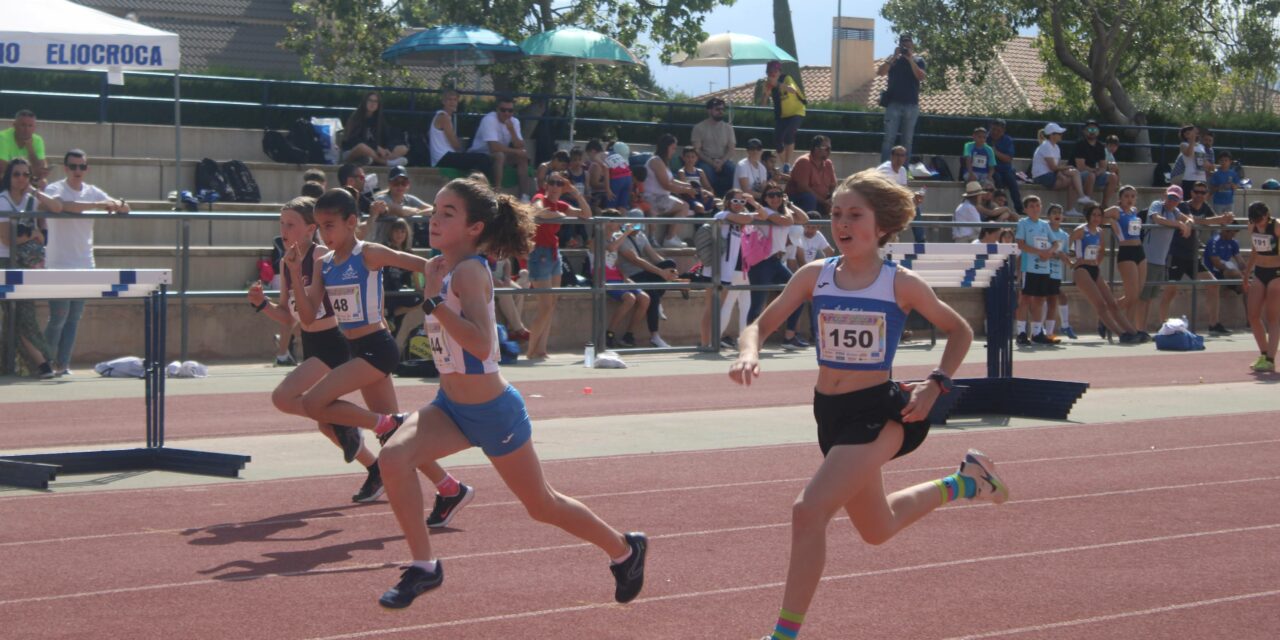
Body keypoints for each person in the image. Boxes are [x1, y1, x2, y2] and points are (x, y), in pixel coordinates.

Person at [729, 169, 1007, 640]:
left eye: (855, 214)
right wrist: (748, 352)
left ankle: (783, 635)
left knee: (808, 511)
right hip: (829, 414)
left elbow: (959, 330)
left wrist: (937, 383)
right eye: (836, 213)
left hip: (880, 412)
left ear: (881, 226)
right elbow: (760, 323)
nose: (842, 223)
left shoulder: (901, 283)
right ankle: (965, 483)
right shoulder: (815, 276)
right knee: (878, 528)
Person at [373, 177, 647, 609]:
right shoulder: (440, 267)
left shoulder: (468, 271)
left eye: (448, 213)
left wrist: (433, 304)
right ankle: (425, 567)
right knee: (393, 458)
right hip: (450, 406)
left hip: (492, 411)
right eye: (435, 210)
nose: (434, 219)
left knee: (542, 505)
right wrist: (432, 294)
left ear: (475, 228)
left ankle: (625, 550)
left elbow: (483, 345)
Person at [284, 188, 474, 524]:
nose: (325, 234)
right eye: (320, 227)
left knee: (315, 404)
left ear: (352, 222)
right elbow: (310, 316)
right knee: (394, 438)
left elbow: (424, 264)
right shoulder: (323, 264)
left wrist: (449, 284)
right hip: (356, 348)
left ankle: (384, 423)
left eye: (330, 226)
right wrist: (297, 271)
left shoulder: (368, 253)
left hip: (378, 347)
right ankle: (450, 487)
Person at [248, 197, 381, 498]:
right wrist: (262, 305)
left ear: (311, 228)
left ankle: (373, 422)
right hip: (311, 344)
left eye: (291, 224)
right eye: (281, 223)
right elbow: (287, 316)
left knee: (283, 397)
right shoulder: (286, 262)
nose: (283, 229)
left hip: (334, 343)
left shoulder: (324, 256)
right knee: (325, 424)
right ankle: (376, 468)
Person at [42, 150, 129, 376]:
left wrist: (116, 203)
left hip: (84, 262)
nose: (77, 171)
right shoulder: (55, 189)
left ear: (87, 169)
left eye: (82, 166)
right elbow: (64, 205)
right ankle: (44, 364)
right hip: (59, 263)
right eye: (73, 166)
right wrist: (100, 205)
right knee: (58, 318)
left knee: (74, 318)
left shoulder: (93, 192)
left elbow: (124, 207)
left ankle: (63, 364)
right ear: (65, 168)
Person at [0, 157, 62, 378]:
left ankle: (39, 364)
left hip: (26, 264)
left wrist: (35, 191)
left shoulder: (30, 198)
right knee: (17, 316)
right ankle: (44, 363)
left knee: (23, 314)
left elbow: (56, 206)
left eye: (26, 174)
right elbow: (7, 239)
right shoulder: (3, 200)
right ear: (9, 177)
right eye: (16, 174)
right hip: (5, 263)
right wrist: (33, 235)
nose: (21, 179)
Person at [525, 172, 591, 360]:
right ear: (546, 185)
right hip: (539, 254)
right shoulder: (539, 197)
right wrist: (559, 215)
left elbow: (586, 214)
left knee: (551, 304)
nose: (555, 186)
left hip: (554, 254)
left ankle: (541, 349)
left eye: (559, 183)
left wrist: (575, 193)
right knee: (545, 305)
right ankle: (531, 350)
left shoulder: (561, 203)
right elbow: (538, 210)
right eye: (552, 182)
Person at [1162, 181, 1233, 333]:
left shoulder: (1206, 207)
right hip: (1176, 254)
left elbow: (1214, 223)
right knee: (1170, 290)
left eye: (1203, 192)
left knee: (1213, 284)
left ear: (1207, 194)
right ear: (1192, 193)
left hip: (1192, 256)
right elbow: (1194, 221)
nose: (1199, 195)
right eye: (1197, 192)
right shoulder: (1182, 205)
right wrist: (1218, 220)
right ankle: (1163, 325)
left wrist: (1226, 219)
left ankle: (1214, 324)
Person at [745, 185, 808, 349]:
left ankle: (789, 336)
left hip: (776, 262)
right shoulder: (766, 211)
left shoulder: (783, 211)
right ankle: (751, 342)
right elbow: (788, 221)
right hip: (762, 262)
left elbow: (804, 218)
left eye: (778, 195)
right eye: (771, 195)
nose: (775, 198)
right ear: (765, 198)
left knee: (798, 294)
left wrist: (790, 204)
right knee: (757, 304)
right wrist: (786, 207)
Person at [1070, 203, 1143, 342]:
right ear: (1088, 216)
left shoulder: (1100, 232)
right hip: (1082, 271)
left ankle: (1133, 332)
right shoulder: (1080, 230)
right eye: (1094, 215)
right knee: (1101, 305)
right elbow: (1064, 245)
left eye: (1099, 215)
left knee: (1113, 303)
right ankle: (1121, 334)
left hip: (1094, 269)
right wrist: (1073, 262)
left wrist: (1097, 262)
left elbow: (1101, 250)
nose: (1097, 218)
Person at [699, 191, 758, 349]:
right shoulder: (722, 214)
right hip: (714, 269)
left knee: (720, 307)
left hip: (727, 271)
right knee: (711, 308)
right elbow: (747, 218)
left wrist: (753, 202)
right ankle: (705, 343)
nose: (738, 204)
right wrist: (749, 210)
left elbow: (762, 215)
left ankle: (713, 341)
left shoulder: (739, 219)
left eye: (742, 201)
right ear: (727, 201)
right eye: (735, 200)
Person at [618, 209, 682, 348]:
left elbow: (653, 256)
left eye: (640, 224)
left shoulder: (641, 235)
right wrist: (661, 273)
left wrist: (669, 271)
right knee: (652, 295)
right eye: (634, 224)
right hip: (630, 276)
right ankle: (655, 336)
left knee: (670, 264)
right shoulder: (621, 237)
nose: (637, 227)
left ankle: (658, 300)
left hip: (644, 273)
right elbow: (636, 260)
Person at [1136, 185, 1195, 333]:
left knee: (1149, 298)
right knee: (1142, 298)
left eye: (1175, 199)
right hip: (1148, 258)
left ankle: (1142, 329)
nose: (1172, 201)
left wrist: (1187, 224)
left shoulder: (1175, 211)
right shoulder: (1157, 205)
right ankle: (1137, 328)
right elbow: (1157, 219)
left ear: (1179, 201)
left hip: (1160, 260)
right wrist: (1179, 224)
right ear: (1165, 196)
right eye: (1170, 197)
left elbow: (1189, 218)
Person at [594, 212, 651, 349]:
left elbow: (616, 261)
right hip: (603, 277)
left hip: (617, 277)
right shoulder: (597, 239)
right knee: (629, 298)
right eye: (614, 220)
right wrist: (626, 233)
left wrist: (625, 277)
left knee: (644, 298)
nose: (618, 223)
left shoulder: (615, 238)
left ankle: (628, 335)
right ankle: (609, 333)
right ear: (606, 223)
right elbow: (611, 248)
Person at [1014, 195, 1059, 345]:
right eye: (1031, 206)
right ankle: (1021, 332)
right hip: (1030, 267)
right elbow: (1020, 244)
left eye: (1037, 205)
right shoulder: (1023, 223)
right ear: (1026, 209)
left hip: (1044, 268)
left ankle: (1037, 332)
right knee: (1025, 298)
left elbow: (1055, 243)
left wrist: (1049, 252)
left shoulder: (1045, 225)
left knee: (1040, 299)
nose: (1035, 209)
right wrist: (1038, 252)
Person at [467, 96, 532, 198]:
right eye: (503, 110)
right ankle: (497, 193)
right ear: (497, 110)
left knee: (522, 157)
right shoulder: (489, 120)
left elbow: (520, 145)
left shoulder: (514, 122)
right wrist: (516, 151)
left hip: (498, 154)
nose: (506, 113)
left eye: (510, 111)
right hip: (480, 155)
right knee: (500, 155)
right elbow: (493, 147)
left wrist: (512, 131)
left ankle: (525, 197)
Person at [1105, 185, 1149, 336]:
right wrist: (1110, 220)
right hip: (1126, 252)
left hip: (1139, 251)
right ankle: (1105, 317)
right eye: (1126, 196)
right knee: (1131, 296)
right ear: (1120, 198)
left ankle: (1130, 329)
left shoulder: (1134, 211)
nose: (1130, 199)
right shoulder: (1116, 211)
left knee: (1136, 296)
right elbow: (1097, 216)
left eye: (1133, 196)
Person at [877, 34, 927, 161]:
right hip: (893, 104)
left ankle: (904, 170)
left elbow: (921, 77)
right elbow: (881, 72)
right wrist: (894, 56)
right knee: (889, 138)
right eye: (903, 42)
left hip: (911, 105)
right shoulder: (893, 60)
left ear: (912, 44)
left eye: (908, 42)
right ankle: (884, 169)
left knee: (907, 140)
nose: (906, 44)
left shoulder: (919, 60)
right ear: (899, 44)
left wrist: (910, 59)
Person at [1243, 202, 1280, 371]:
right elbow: (1254, 250)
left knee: (1273, 317)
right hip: (1259, 272)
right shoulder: (1253, 227)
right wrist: (1246, 274)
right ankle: (1264, 353)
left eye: (1261, 219)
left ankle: (1271, 360)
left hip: (1276, 274)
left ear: (1267, 214)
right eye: (1255, 220)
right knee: (1253, 315)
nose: (1259, 223)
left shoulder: (1277, 226)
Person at [644, 133, 696, 247]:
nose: (674, 151)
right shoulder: (656, 161)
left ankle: (671, 237)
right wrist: (686, 191)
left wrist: (688, 186)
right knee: (684, 206)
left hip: (661, 197)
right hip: (652, 199)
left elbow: (672, 180)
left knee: (685, 205)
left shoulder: (663, 162)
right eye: (673, 148)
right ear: (666, 147)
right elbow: (666, 185)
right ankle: (670, 238)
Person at [428, 89, 492, 177]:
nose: (452, 102)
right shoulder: (443, 117)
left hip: (447, 155)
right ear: (443, 102)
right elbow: (455, 145)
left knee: (478, 160)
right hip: (443, 157)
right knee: (483, 158)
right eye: (449, 100)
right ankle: (482, 188)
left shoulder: (445, 116)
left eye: (455, 100)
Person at [369, 166, 432, 246]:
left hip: (403, 248)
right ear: (389, 184)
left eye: (404, 183)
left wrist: (417, 212)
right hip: (383, 247)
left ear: (408, 184)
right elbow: (400, 211)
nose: (400, 186)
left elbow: (434, 209)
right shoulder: (381, 199)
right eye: (396, 183)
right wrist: (417, 212)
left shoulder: (410, 199)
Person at [341, 92, 408, 167]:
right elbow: (353, 141)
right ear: (364, 102)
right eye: (370, 100)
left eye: (375, 101)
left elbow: (388, 137)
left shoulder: (380, 120)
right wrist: (376, 147)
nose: (372, 103)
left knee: (403, 148)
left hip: (374, 152)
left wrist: (388, 149)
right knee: (362, 147)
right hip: (353, 151)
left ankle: (390, 159)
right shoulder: (355, 118)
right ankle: (387, 163)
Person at [761, 61, 806, 170]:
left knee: (789, 135)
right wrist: (766, 95)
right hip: (782, 115)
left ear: (779, 72)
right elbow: (763, 105)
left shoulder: (786, 78)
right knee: (777, 140)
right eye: (770, 72)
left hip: (796, 111)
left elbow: (792, 90)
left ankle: (787, 164)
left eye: (775, 71)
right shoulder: (767, 84)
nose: (772, 74)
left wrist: (777, 84)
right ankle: (785, 164)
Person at [1031, 123, 1085, 207]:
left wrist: (1061, 175)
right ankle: (1073, 206)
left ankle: (1081, 197)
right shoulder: (1046, 146)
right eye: (1059, 134)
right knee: (1072, 181)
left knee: (1074, 172)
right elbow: (1053, 167)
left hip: (1050, 174)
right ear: (1052, 135)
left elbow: (1057, 168)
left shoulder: (1056, 147)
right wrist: (1067, 168)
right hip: (1042, 176)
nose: (1061, 135)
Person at [691, 98, 737, 196]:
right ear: (709, 110)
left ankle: (729, 198)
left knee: (734, 170)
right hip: (705, 160)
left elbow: (732, 149)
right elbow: (697, 150)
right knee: (707, 172)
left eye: (722, 109)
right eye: (717, 109)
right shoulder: (699, 127)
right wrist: (712, 162)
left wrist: (721, 162)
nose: (720, 111)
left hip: (723, 160)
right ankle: (713, 198)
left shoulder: (728, 128)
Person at [1203, 227, 1246, 330]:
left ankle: (1250, 320)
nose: (1234, 236)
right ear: (1225, 231)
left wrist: (1244, 270)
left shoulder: (1233, 242)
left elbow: (1240, 261)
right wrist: (1236, 272)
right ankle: (1214, 323)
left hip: (1229, 273)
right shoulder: (1214, 241)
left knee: (1249, 286)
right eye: (1232, 233)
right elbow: (1217, 264)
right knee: (1234, 273)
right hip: (1215, 273)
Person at [1069, 120, 1118, 207]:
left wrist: (1099, 172)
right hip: (1078, 173)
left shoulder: (1100, 147)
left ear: (1098, 132)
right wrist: (1095, 171)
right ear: (1084, 131)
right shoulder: (1080, 145)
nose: (1092, 132)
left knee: (1113, 177)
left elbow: (1103, 166)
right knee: (1090, 175)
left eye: (1094, 130)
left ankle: (1104, 205)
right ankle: (1087, 206)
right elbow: (1081, 167)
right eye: (1090, 130)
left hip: (1093, 172)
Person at [786, 135, 836, 217]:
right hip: (798, 202)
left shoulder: (828, 163)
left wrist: (830, 197)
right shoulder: (804, 162)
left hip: (820, 202)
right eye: (826, 149)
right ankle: (807, 226)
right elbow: (803, 188)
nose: (829, 151)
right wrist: (824, 201)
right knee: (809, 198)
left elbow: (833, 185)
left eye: (830, 148)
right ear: (816, 149)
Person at [1045, 204, 1073, 340]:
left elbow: (1066, 255)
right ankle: (1044, 330)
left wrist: (1069, 262)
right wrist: (1055, 254)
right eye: (1054, 212)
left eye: (1060, 213)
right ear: (1048, 216)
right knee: (1044, 300)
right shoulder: (1044, 230)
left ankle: (1057, 328)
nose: (1057, 215)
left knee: (1054, 299)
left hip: (1056, 272)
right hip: (1042, 269)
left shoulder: (1064, 235)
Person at [0, 110, 47, 184]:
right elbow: (2, 168)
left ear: (34, 128)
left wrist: (30, 149)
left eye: (30, 126)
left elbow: (41, 170)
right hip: (8, 178)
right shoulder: (2, 138)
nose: (26, 129)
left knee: (42, 182)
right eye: (23, 125)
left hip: (26, 178)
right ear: (14, 125)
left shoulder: (38, 140)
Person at [987, 119, 1023, 215]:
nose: (995, 132)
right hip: (991, 169)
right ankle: (1002, 208)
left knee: (1012, 183)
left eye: (998, 131)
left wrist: (995, 152)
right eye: (993, 129)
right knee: (998, 180)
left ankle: (1020, 209)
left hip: (1005, 169)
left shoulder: (1007, 140)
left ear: (1003, 131)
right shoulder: (985, 138)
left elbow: (1008, 159)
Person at [1170, 124, 1212, 197]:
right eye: (1188, 133)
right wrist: (1192, 140)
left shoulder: (1201, 146)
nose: (1191, 134)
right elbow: (1189, 153)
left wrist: (1210, 166)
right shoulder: (1183, 145)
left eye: (1192, 132)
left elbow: (1204, 162)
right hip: (1189, 178)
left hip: (1201, 178)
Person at [675, 146, 716, 216]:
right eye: (688, 157)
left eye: (693, 157)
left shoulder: (700, 171)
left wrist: (709, 195)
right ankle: (700, 226)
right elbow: (685, 190)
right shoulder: (682, 172)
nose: (690, 159)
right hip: (689, 198)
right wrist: (701, 194)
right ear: (683, 158)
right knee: (699, 207)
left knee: (719, 203)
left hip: (701, 196)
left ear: (697, 158)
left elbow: (708, 187)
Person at [1209, 151, 1242, 215]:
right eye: (1222, 160)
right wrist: (1220, 187)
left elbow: (1237, 186)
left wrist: (1232, 185)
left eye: (1226, 160)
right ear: (1219, 161)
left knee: (1229, 220)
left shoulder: (1233, 173)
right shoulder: (1216, 174)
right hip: (1218, 202)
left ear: (1230, 162)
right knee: (1218, 220)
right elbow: (1211, 189)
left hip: (1229, 202)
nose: (1224, 162)